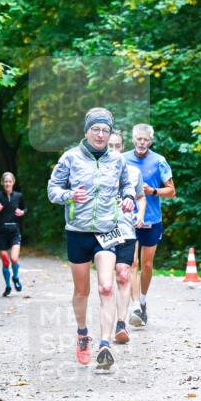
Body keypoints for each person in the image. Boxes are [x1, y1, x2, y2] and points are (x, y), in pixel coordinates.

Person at [47, 108, 136, 369]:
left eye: (105, 130)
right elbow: (53, 190)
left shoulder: (117, 160)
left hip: (107, 231)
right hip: (77, 231)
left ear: (110, 134)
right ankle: (83, 332)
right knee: (82, 291)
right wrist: (70, 195)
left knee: (107, 287)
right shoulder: (70, 158)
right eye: (96, 129)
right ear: (86, 131)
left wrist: (129, 197)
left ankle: (105, 344)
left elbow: (126, 186)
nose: (100, 134)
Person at [125, 124, 175, 328]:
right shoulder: (123, 160)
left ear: (151, 141)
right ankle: (135, 306)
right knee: (132, 263)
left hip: (152, 220)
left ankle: (143, 300)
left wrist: (152, 191)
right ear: (133, 139)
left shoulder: (159, 161)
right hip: (129, 219)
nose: (141, 142)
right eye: (138, 138)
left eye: (145, 139)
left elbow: (171, 191)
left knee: (146, 265)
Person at [108, 130, 147, 344]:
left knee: (123, 274)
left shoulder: (133, 172)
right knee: (106, 284)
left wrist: (140, 215)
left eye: (117, 146)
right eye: (110, 146)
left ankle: (121, 324)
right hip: (101, 233)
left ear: (123, 148)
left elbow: (141, 198)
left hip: (125, 231)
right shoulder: (96, 172)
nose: (114, 150)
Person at [0, 172, 26, 297]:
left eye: (9, 181)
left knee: (14, 259)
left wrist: (22, 212)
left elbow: (25, 209)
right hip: (1, 231)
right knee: (5, 261)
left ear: (13, 182)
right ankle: (8, 286)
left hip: (14, 230)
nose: (7, 183)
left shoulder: (19, 196)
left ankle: (15, 277)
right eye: (5, 181)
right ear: (2, 183)